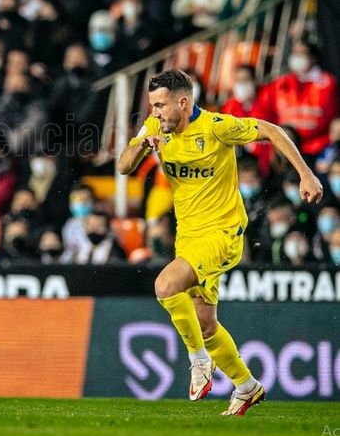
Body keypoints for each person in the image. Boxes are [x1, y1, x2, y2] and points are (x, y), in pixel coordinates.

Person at [117, 69, 323, 416]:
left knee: (166, 286)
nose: (154, 112)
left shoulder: (217, 127)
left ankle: (198, 362)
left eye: (160, 105)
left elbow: (271, 130)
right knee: (205, 324)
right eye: (152, 106)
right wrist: (141, 145)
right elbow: (123, 166)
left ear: (183, 102)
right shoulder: (154, 128)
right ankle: (247, 387)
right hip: (189, 236)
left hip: (222, 234)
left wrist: (306, 173)